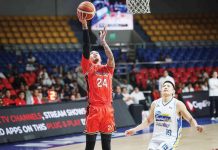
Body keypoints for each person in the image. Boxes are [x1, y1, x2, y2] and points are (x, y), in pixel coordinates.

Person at [125, 80, 203, 150]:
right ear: (161, 90)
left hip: (170, 139)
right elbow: (148, 121)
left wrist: (196, 126)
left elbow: (190, 119)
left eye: (168, 86)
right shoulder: (155, 104)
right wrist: (134, 130)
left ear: (173, 91)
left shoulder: (178, 104)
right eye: (164, 86)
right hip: (155, 139)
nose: (165, 87)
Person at [79, 18, 115, 150]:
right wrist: (84, 26)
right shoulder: (88, 67)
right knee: (90, 146)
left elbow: (111, 57)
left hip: (108, 109)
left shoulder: (108, 68)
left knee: (107, 146)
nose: (94, 54)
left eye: (96, 53)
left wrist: (104, 42)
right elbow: (86, 45)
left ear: (100, 58)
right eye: (92, 53)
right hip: (94, 109)